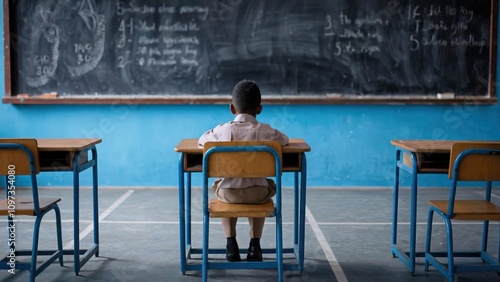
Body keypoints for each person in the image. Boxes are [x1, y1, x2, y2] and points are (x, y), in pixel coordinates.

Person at [198, 80, 289, 262]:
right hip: (258, 194)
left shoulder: (222, 130)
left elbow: (202, 141)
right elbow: (285, 140)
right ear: (260, 109)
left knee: (222, 185)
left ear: (232, 108)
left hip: (229, 194)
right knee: (265, 186)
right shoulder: (266, 131)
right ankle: (255, 246)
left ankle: (231, 244)